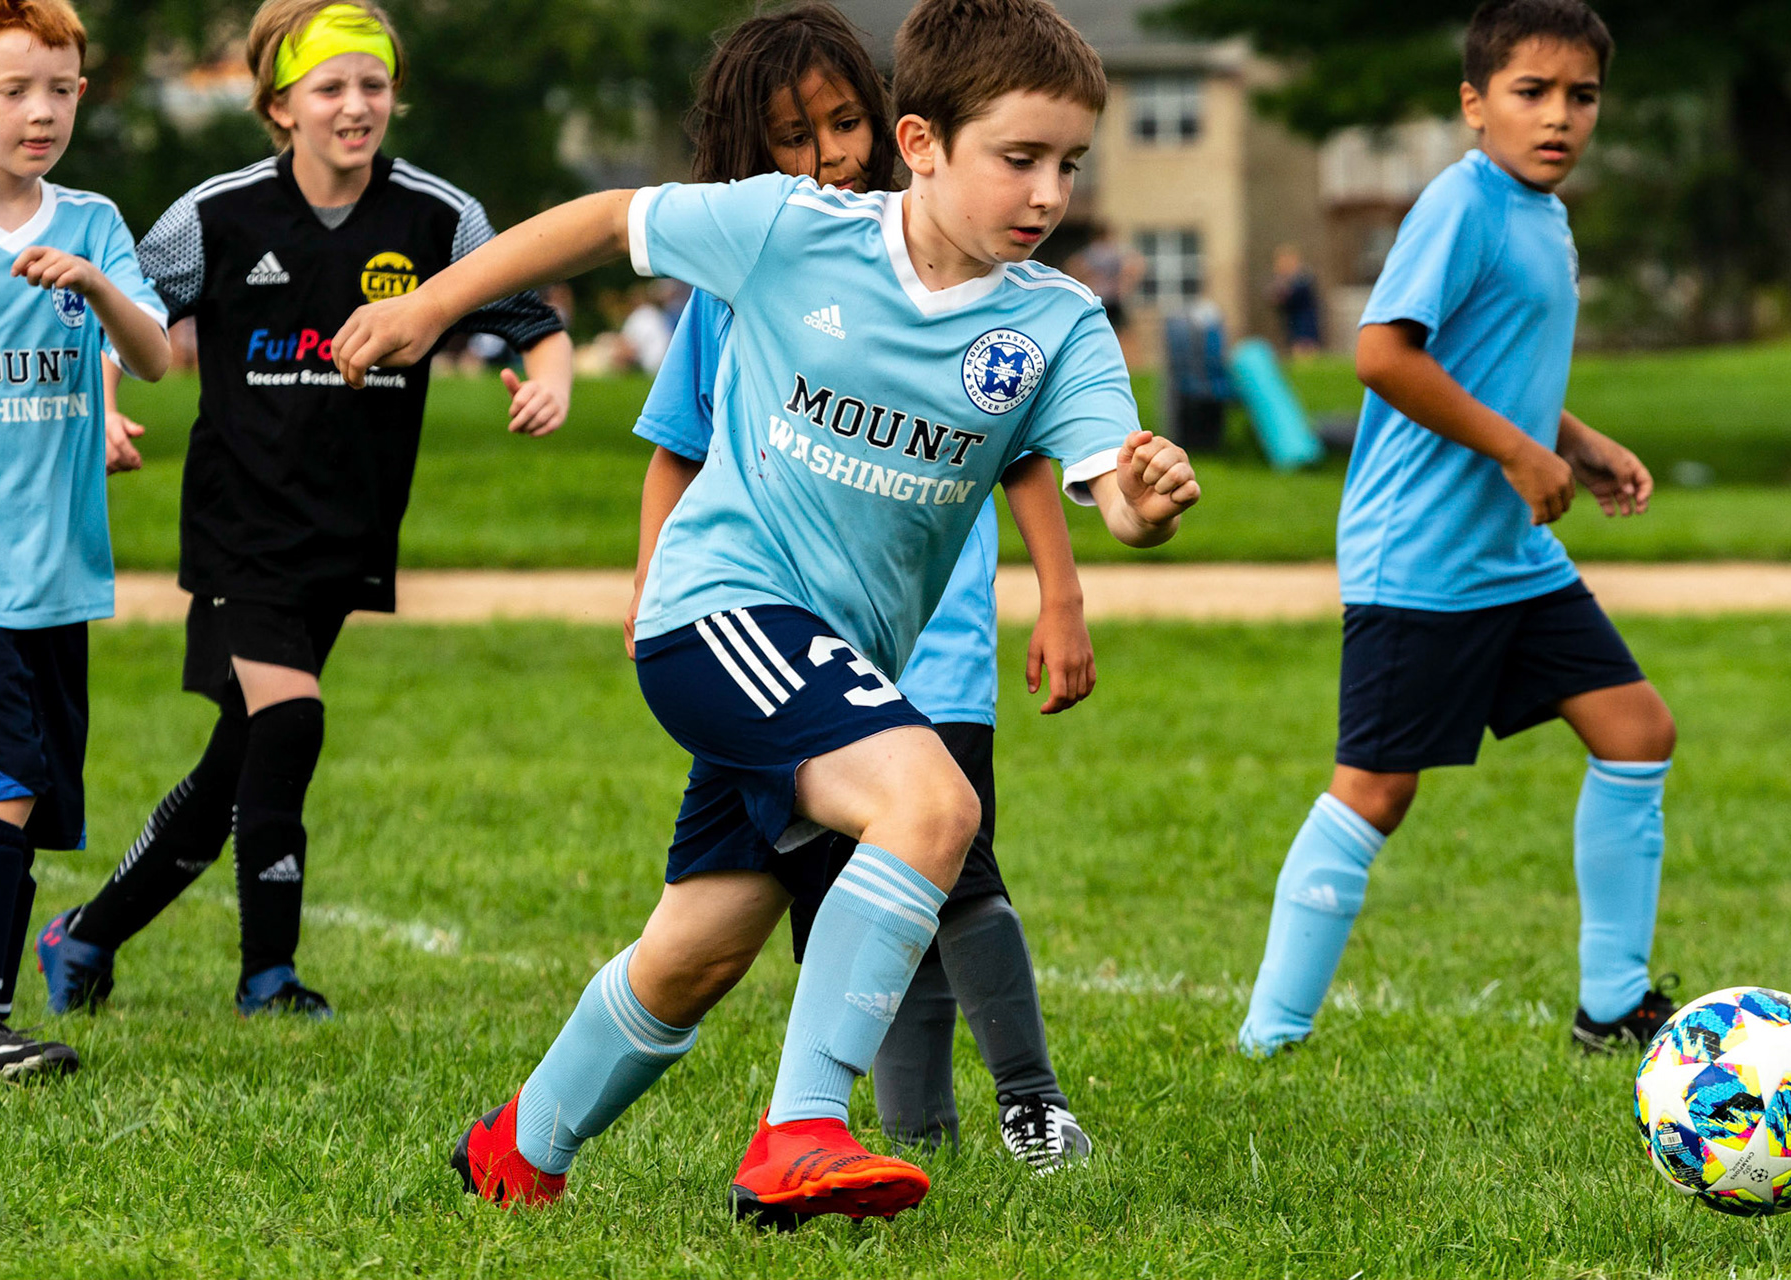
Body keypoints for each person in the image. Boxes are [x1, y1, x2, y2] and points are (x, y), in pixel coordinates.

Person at [332, 0, 1199, 1225]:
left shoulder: (1056, 325)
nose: (1048, 191)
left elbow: (1113, 493)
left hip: (828, 669)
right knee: (934, 799)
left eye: (1069, 163)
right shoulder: (795, 229)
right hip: (720, 611)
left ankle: (514, 1152)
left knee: (700, 948)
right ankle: (800, 1132)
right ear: (922, 141)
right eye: (1020, 157)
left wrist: (1149, 503)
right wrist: (431, 307)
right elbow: (605, 221)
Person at [36, 0, 572, 1021]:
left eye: (372, 84)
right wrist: (102, 405)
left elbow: (528, 317)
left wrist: (549, 379)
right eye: (330, 87)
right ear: (279, 106)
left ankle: (88, 932)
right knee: (290, 724)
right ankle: (268, 976)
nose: (356, 104)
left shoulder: (437, 219)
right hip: (241, 524)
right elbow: (122, 314)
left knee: (237, 758)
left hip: (349, 529)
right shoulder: (217, 216)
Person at [631, 1, 1097, 1172]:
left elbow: (1036, 449)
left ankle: (1028, 1101)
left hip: (931, 640)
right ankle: (896, 1125)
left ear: (898, 130)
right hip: (780, 629)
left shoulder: (1002, 300)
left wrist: (1061, 591)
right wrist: (658, 597)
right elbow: (677, 450)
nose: (830, 155)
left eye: (846, 123)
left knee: (957, 853)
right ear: (749, 158)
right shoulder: (749, 280)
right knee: (841, 879)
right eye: (796, 138)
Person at [1237, 0, 1679, 1060]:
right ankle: (1270, 1036)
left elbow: (1490, 366)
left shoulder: (1544, 213)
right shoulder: (1463, 204)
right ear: (1475, 104)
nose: (1559, 117)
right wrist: (1517, 452)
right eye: (1532, 93)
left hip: (1512, 556)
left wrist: (1570, 439)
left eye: (1582, 97)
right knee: (1376, 789)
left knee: (1637, 730)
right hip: (1423, 555)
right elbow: (1384, 355)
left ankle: (1612, 1005)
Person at [0, 0, 170, 1076]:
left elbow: (149, 356)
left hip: (56, 571)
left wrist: (99, 291)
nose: (41, 111)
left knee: (31, 789)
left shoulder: (93, 222)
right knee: (6, 778)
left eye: (60, 88)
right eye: (14, 89)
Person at [1266, 244, 1321, 356]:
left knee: (1306, 346)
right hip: (1292, 320)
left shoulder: (1303, 277)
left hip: (1305, 319)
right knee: (1296, 346)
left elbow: (1295, 295)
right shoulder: (1282, 279)